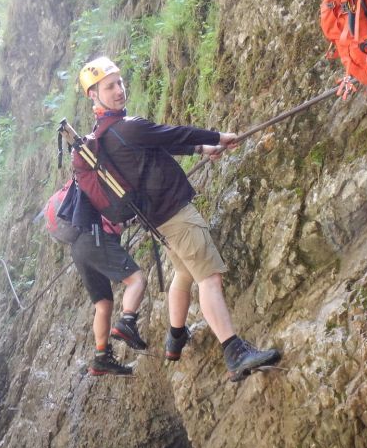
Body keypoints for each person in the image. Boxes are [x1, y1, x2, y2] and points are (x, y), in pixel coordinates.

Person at [75, 56, 281, 379]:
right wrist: (216, 137)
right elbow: (173, 134)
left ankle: (175, 337)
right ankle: (234, 351)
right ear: (93, 95)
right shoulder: (127, 128)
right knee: (209, 278)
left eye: (120, 83)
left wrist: (202, 149)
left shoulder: (103, 138)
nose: (119, 90)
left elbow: (158, 145)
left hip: (157, 221)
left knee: (183, 273)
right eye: (110, 86)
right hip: (175, 215)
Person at [69, 187, 147, 376]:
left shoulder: (81, 191)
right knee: (137, 280)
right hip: (96, 238)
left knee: (103, 305)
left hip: (78, 248)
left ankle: (101, 357)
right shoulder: (100, 183)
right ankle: (127, 322)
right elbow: (113, 216)